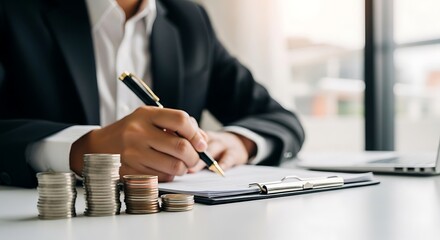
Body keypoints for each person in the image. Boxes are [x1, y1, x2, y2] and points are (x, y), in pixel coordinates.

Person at [0, 0, 305, 188]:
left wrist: (237, 142)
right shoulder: (13, 11)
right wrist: (82, 148)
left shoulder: (189, 20)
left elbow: (280, 119)